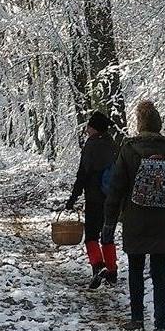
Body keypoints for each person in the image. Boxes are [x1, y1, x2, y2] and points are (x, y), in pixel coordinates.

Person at [102, 101, 165, 331]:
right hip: (163, 222)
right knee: (159, 275)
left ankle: (137, 319)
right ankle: (161, 327)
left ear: (139, 125)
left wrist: (109, 224)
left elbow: (115, 189)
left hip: (135, 220)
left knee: (136, 271)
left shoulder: (128, 150)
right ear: (159, 125)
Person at [65, 111, 118, 289]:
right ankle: (112, 271)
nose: (86, 129)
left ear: (94, 128)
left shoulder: (91, 146)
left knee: (91, 236)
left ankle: (98, 266)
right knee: (108, 235)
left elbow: (83, 173)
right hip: (112, 198)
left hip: (94, 198)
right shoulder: (113, 144)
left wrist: (74, 196)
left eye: (89, 126)